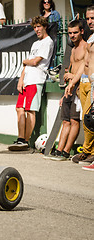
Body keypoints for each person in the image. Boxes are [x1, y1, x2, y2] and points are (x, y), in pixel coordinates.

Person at [8, 16, 54, 151]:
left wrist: (25, 61)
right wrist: (21, 80)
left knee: (30, 111)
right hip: (27, 80)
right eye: (34, 27)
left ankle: (26, 141)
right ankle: (20, 139)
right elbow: (27, 64)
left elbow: (35, 62)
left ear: (45, 26)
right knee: (19, 109)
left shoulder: (48, 42)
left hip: (36, 79)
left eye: (39, 26)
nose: (36, 29)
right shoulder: (35, 44)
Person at [48, 20, 86, 161]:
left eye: (75, 32)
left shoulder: (86, 47)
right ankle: (59, 149)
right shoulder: (73, 49)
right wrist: (65, 92)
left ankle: (66, 150)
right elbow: (70, 69)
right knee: (65, 120)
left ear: (82, 31)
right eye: (70, 33)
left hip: (80, 87)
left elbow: (84, 68)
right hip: (70, 88)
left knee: (74, 120)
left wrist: (73, 78)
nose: (72, 35)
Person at [73, 5, 94, 169]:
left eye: (92, 18)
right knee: (86, 119)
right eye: (87, 18)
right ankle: (88, 151)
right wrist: (75, 82)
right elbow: (84, 64)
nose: (90, 21)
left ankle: (90, 152)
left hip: (93, 82)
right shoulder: (91, 37)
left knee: (90, 119)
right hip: (86, 82)